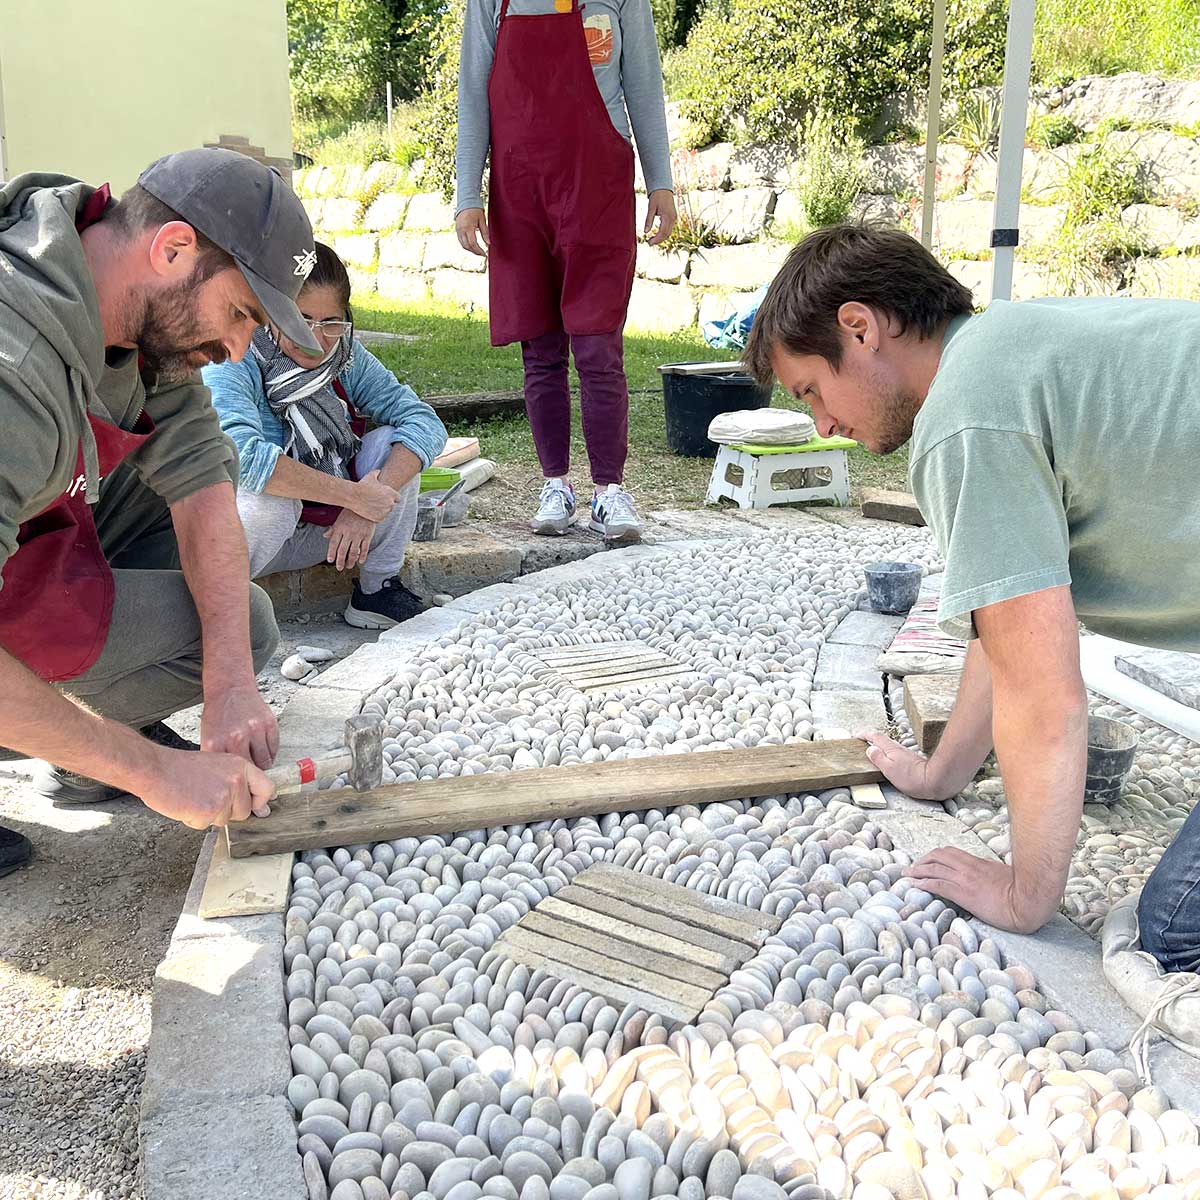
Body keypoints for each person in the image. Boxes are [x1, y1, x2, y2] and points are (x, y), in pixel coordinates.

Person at [742, 223, 1200, 972]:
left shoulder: (967, 416)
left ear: (859, 329)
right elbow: (1007, 629)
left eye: (813, 391)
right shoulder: (1005, 353)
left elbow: (1043, 693)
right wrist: (940, 773)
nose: (822, 424)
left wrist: (1027, 893)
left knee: (1177, 933)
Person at [0, 148, 318, 879]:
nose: (238, 348)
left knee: (239, 624)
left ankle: (77, 756)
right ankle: (90, 751)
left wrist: (231, 685)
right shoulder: (13, 364)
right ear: (173, 248)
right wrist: (151, 772)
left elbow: (205, 485)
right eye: (239, 312)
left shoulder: (142, 320)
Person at [454, 0, 677, 545]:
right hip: (519, 187)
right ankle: (555, 484)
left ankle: (609, 490)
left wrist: (660, 183)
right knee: (540, 347)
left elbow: (644, 87)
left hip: (597, 180)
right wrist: (467, 194)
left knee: (599, 345)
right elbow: (473, 93)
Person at [205, 243, 447, 629]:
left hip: (332, 531)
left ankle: (377, 590)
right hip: (253, 535)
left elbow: (424, 421)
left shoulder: (347, 355)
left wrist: (365, 506)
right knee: (269, 502)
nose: (315, 339)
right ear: (272, 310)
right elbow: (241, 457)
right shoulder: (236, 353)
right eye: (300, 320)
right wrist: (355, 497)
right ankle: (214, 612)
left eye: (330, 323)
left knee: (393, 445)